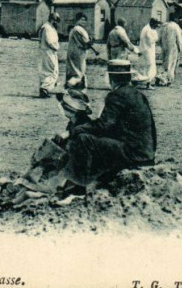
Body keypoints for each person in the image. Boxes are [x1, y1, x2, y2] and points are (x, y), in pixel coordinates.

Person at [29, 59, 157, 194]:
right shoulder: (136, 94)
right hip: (144, 151)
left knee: (84, 139)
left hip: (134, 153)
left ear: (111, 78)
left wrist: (71, 132)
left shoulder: (117, 95)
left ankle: (76, 186)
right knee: (93, 139)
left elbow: (103, 125)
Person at [66, 12, 99, 90]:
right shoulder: (78, 29)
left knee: (77, 71)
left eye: (85, 20)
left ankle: (79, 86)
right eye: (82, 20)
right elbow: (86, 42)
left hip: (76, 52)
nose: (84, 22)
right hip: (77, 53)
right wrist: (91, 42)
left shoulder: (77, 29)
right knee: (78, 72)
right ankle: (69, 85)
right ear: (77, 20)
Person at [132, 18, 161, 89]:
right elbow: (151, 41)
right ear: (152, 23)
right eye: (155, 24)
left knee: (143, 68)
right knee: (150, 67)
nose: (156, 26)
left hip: (145, 50)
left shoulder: (146, 28)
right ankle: (148, 84)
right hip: (148, 51)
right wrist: (156, 38)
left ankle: (138, 82)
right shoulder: (148, 30)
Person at [37, 12, 61, 97]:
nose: (56, 22)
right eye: (55, 20)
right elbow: (49, 41)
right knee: (52, 71)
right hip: (48, 51)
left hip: (48, 51)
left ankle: (45, 89)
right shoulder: (47, 28)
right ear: (52, 19)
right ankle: (44, 88)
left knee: (47, 71)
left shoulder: (49, 27)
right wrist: (56, 47)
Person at [158, 20, 182, 85]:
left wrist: (161, 45)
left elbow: (159, 38)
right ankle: (168, 79)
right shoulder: (176, 27)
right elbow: (179, 39)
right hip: (173, 47)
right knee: (171, 64)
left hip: (164, 46)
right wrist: (180, 48)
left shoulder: (163, 26)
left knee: (165, 63)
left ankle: (161, 76)